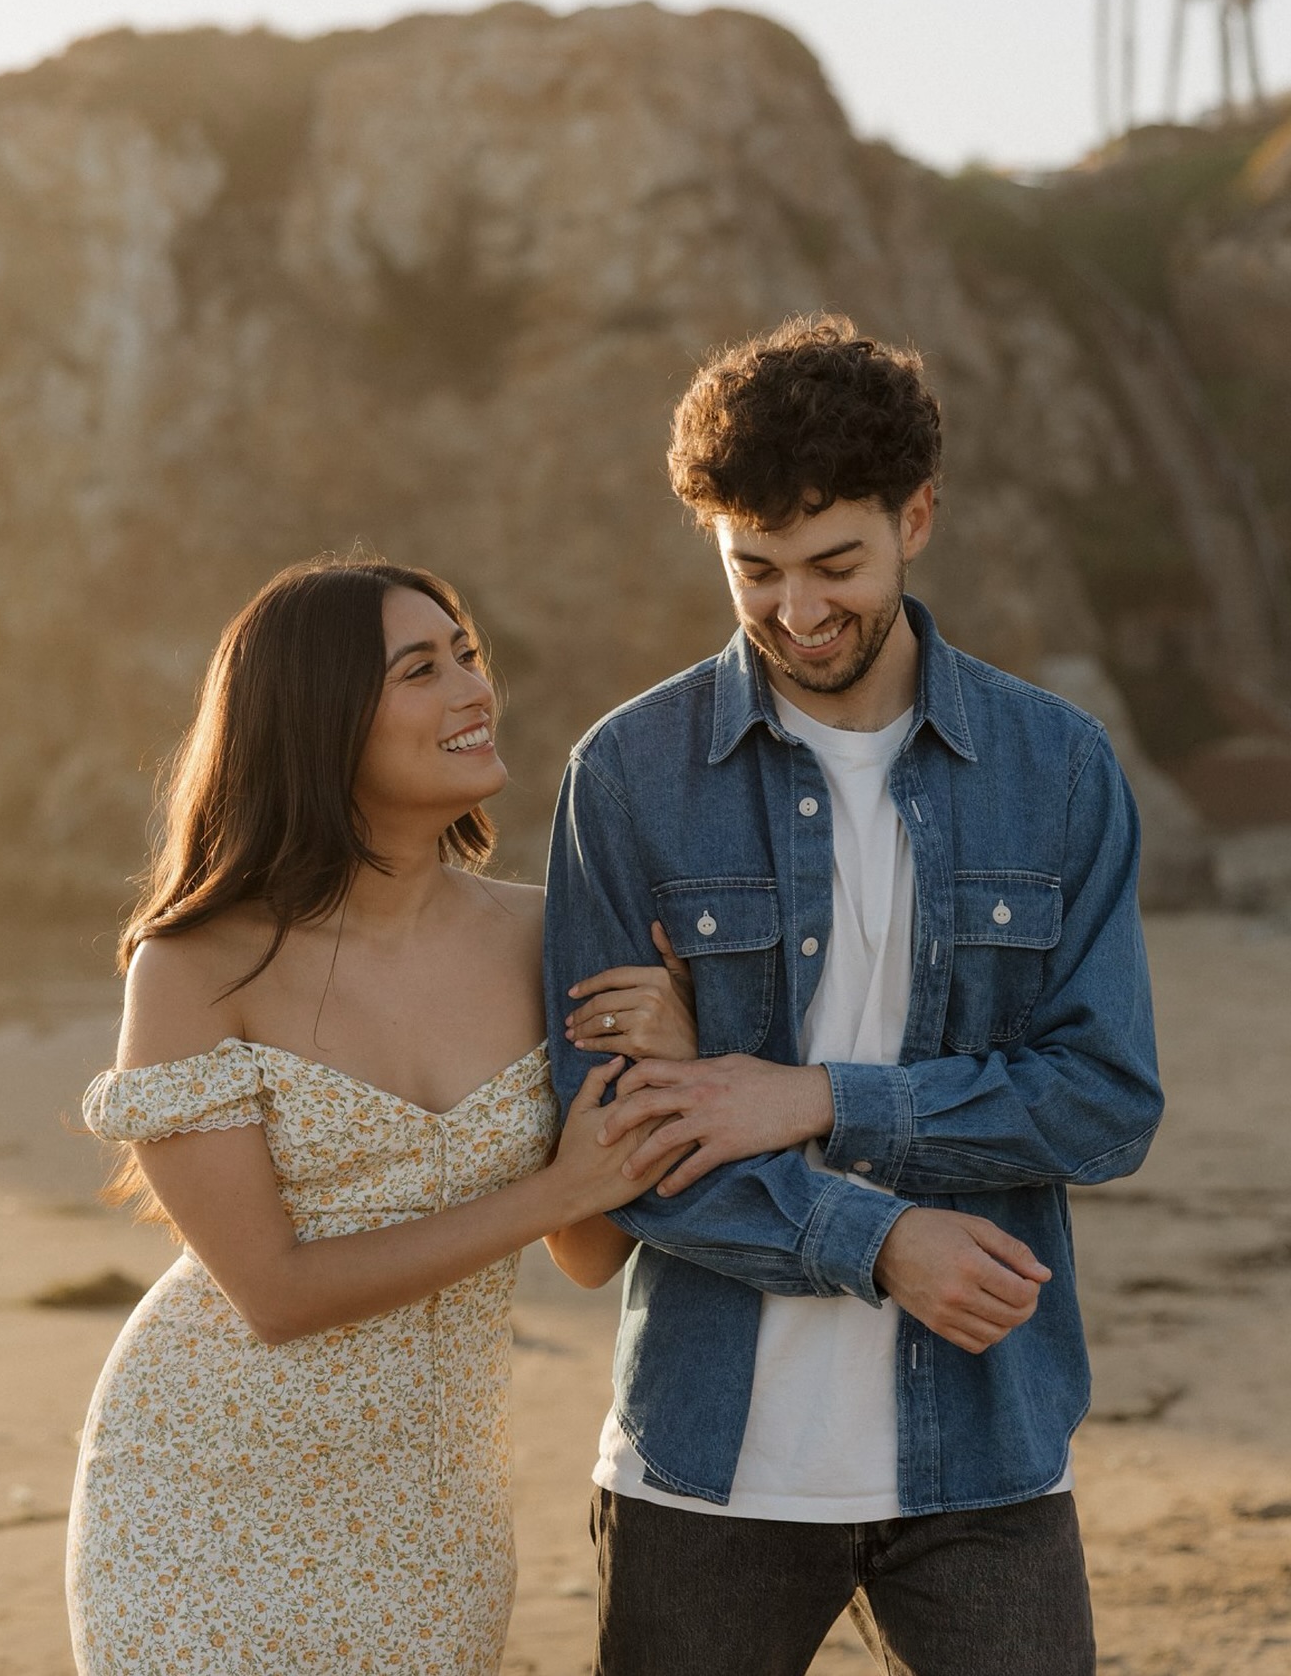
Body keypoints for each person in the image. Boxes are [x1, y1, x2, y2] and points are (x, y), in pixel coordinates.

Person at [542, 314, 1163, 1676]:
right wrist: (879, 1240)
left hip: (988, 1460)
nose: (797, 610)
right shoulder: (628, 779)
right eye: (752, 571)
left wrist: (812, 1098)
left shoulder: (1054, 770)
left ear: (917, 518)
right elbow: (613, 1148)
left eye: (836, 563)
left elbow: (1106, 1103)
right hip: (706, 1469)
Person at [65, 556, 688, 1676]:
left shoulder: (550, 936)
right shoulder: (196, 964)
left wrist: (667, 1063)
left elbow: (590, 1253)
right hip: (198, 1502)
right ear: (323, 721)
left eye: (468, 656)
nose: (471, 689)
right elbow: (277, 1293)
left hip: (429, 1506)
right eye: (421, 669)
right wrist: (556, 1189)